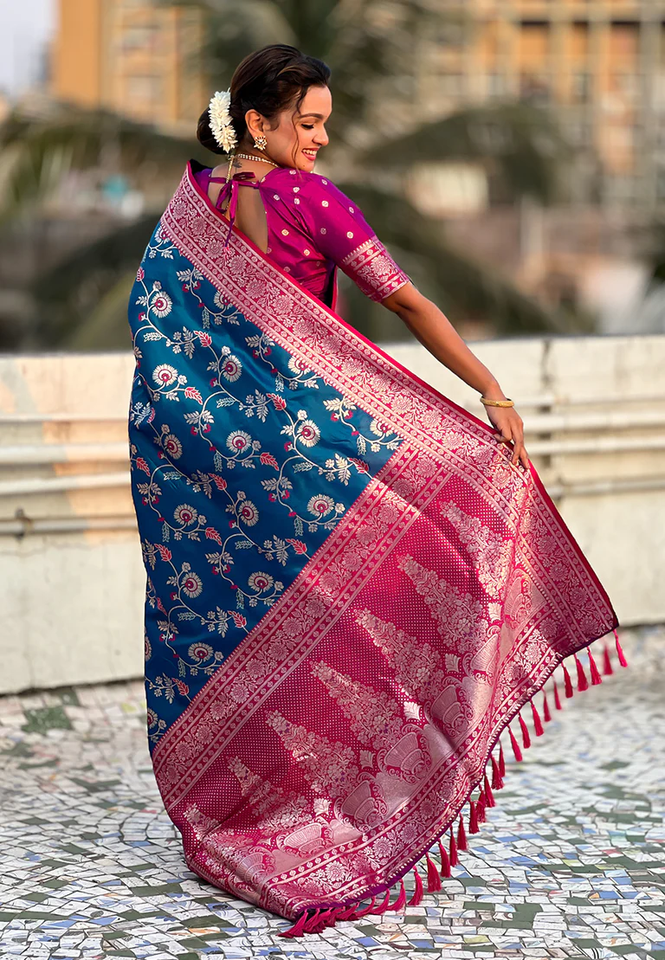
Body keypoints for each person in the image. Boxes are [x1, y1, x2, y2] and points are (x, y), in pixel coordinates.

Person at [127, 44, 621, 937]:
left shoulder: (188, 207)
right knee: (373, 602)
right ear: (255, 123)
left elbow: (154, 330)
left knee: (239, 630)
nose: (321, 138)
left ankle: (242, 810)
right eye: (307, 123)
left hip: (217, 475)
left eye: (325, 123)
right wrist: (490, 392)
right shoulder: (309, 200)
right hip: (311, 469)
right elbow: (406, 303)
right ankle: (341, 804)